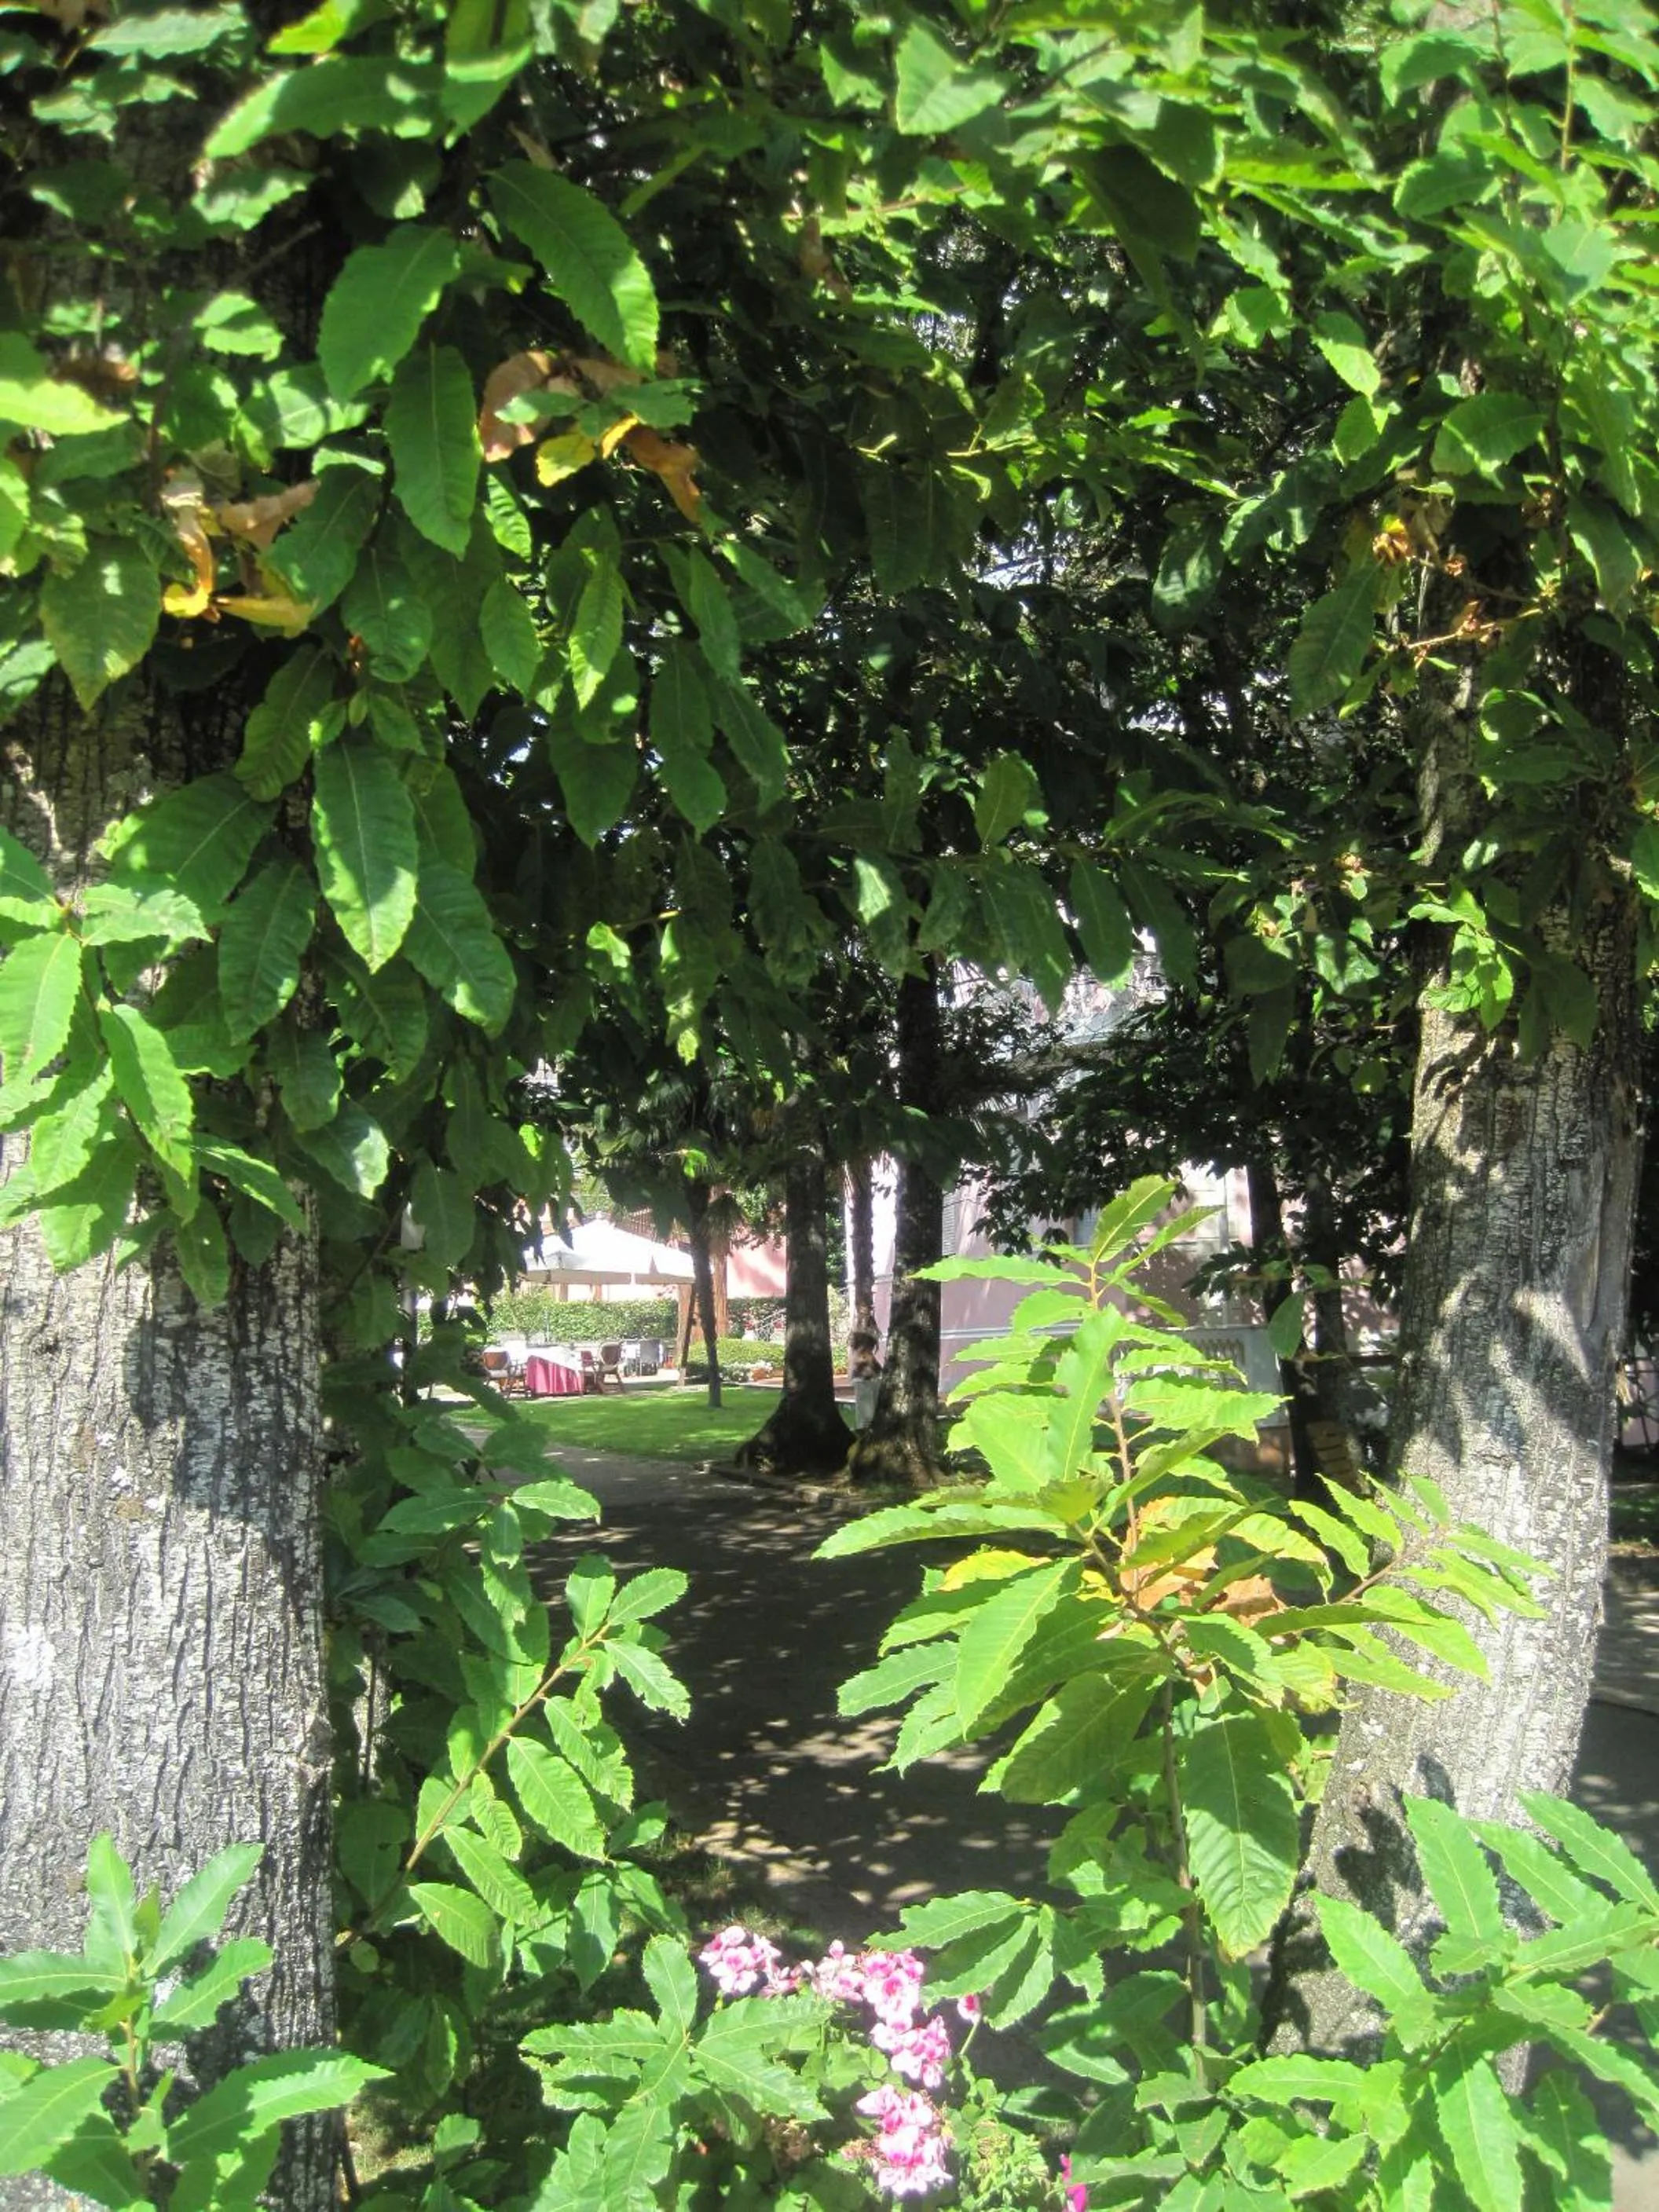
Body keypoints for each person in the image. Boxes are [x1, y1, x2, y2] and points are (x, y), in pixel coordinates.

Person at [848, 1328, 882, 1431]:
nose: (870, 1351)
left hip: (872, 1383)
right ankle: (864, 1429)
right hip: (862, 1382)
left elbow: (878, 1369)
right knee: (866, 1413)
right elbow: (857, 1364)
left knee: (873, 1410)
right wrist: (866, 1362)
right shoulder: (858, 1354)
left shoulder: (869, 1355)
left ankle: (869, 1427)